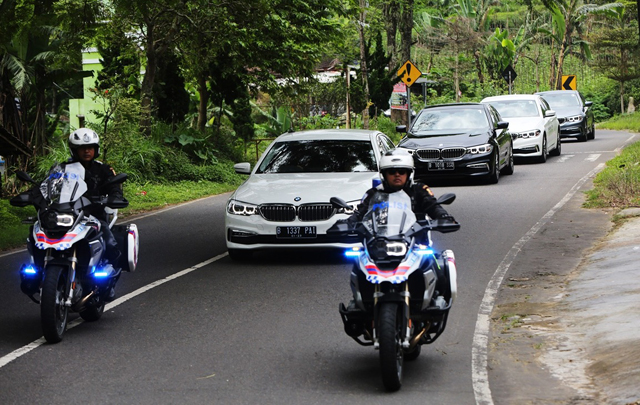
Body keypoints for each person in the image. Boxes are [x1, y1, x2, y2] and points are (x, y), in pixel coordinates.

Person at [67, 128, 123, 300]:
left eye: (90, 147)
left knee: (110, 242)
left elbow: (114, 188)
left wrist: (114, 197)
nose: (86, 151)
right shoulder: (63, 168)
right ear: (74, 149)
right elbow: (47, 186)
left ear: (95, 149)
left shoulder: (103, 169)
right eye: (82, 147)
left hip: (94, 216)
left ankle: (110, 280)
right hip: (68, 215)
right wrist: (33, 195)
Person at [353, 149, 455, 223]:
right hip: (379, 241)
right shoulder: (373, 193)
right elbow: (360, 213)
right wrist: (346, 222)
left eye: (402, 171)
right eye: (392, 171)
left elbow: (433, 206)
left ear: (409, 174)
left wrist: (443, 216)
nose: (397, 175)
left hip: (416, 240)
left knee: (442, 253)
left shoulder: (419, 190)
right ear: (384, 174)